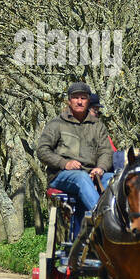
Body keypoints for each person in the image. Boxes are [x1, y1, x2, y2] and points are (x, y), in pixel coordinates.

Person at [37, 82, 115, 237]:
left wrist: (101, 168)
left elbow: (106, 151)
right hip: (62, 175)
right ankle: (104, 222)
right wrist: (64, 163)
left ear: (88, 101)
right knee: (81, 177)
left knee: (115, 179)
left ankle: (121, 222)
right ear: (69, 101)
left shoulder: (97, 125)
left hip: (93, 175)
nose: (79, 101)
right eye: (75, 98)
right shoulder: (56, 124)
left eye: (83, 98)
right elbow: (42, 150)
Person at [89, 93, 127, 174]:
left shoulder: (99, 128)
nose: (97, 115)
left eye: (98, 112)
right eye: (95, 110)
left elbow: (111, 150)